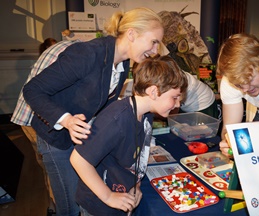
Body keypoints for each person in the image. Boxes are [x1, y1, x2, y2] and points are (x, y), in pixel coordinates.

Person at [23, 7, 163, 216]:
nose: (155, 51)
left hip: (80, 137)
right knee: (70, 205)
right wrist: (67, 120)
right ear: (132, 34)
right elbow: (32, 90)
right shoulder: (88, 53)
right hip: (56, 138)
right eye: (153, 42)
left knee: (83, 198)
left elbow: (103, 104)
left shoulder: (123, 64)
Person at [70, 55, 188, 215]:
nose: (178, 104)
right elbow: (78, 160)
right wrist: (109, 196)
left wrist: (136, 184)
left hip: (121, 195)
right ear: (153, 92)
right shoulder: (116, 120)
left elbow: (136, 155)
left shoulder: (146, 113)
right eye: (174, 97)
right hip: (98, 205)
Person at [11, 39, 75, 215]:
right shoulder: (68, 57)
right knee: (52, 170)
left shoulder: (68, 54)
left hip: (40, 118)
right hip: (35, 119)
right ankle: (53, 207)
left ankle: (54, 206)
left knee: (53, 171)